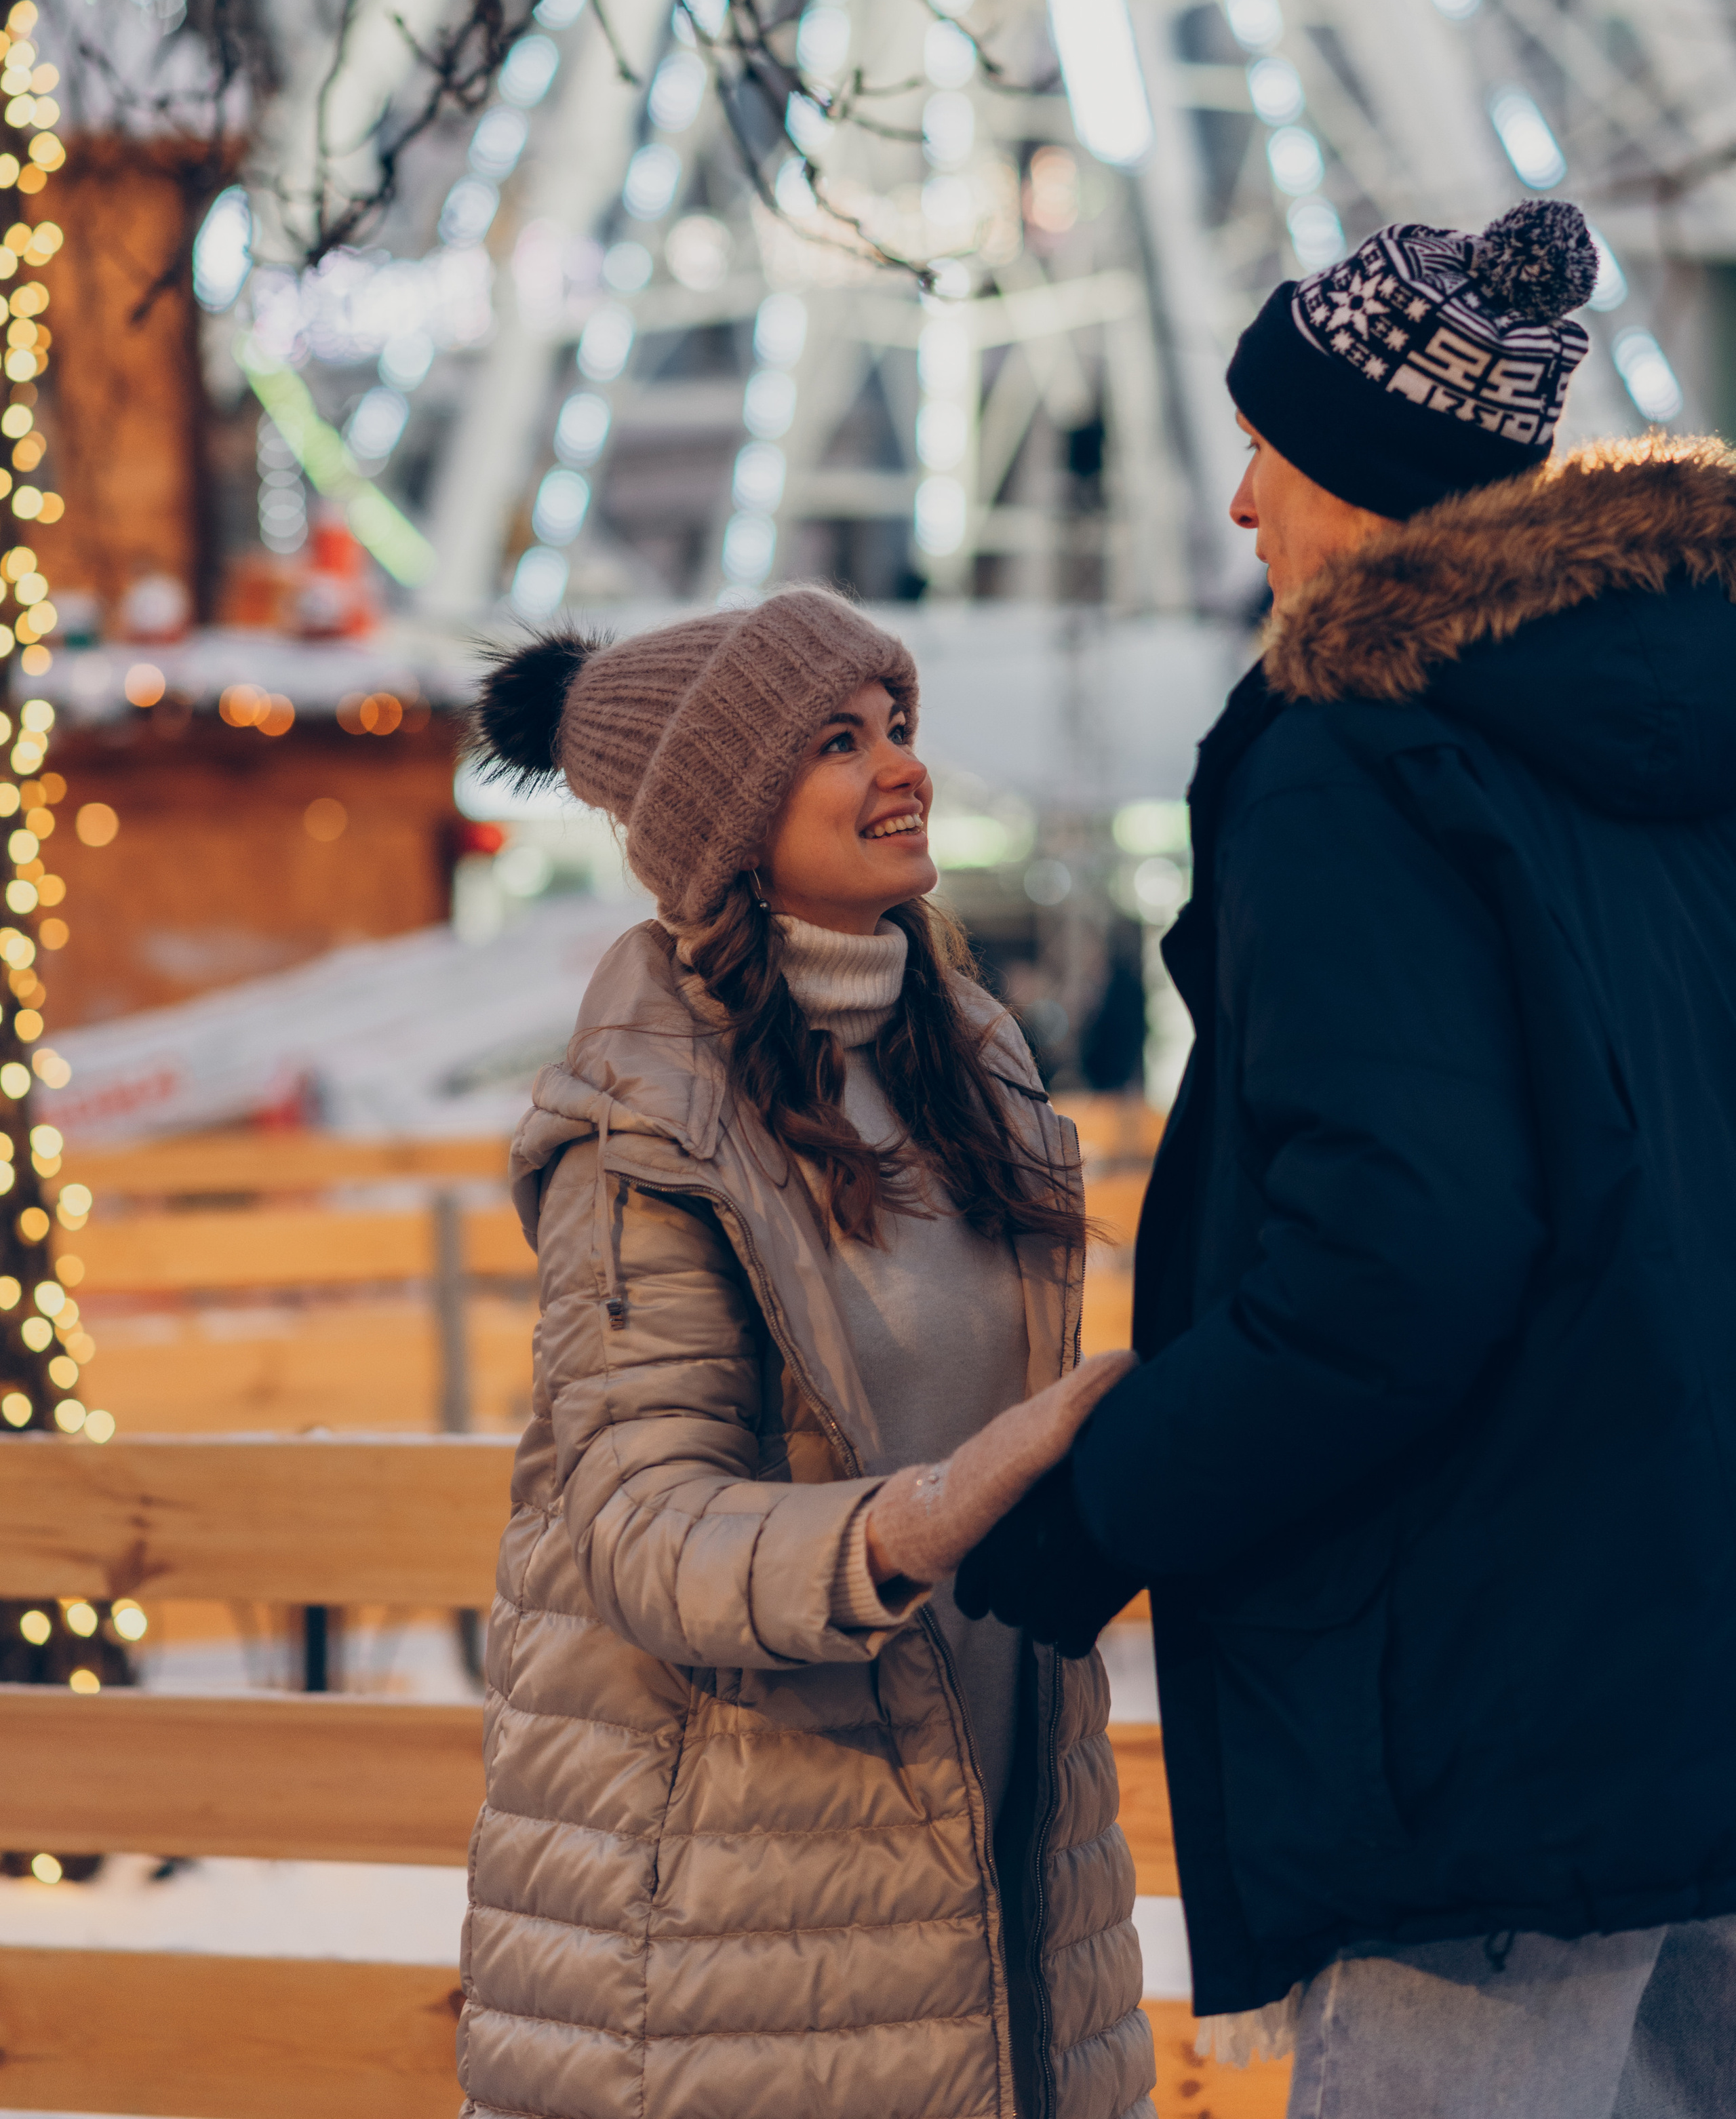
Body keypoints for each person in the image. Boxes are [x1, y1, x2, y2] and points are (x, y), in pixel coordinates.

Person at [958, 199, 1736, 2114]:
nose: (1241, 509)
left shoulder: (1355, 756)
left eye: (1266, 452)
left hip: (1484, 1682)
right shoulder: (1685, 740)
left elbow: (1403, 1251)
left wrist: (1110, 1508)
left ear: (1361, 478)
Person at [457, 586, 1154, 2119]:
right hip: (738, 1925)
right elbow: (644, 1531)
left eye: (895, 725)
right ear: (725, 817)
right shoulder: (646, 1130)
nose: (898, 765)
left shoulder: (978, 1075)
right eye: (836, 742)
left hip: (1007, 1858)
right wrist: (926, 1512)